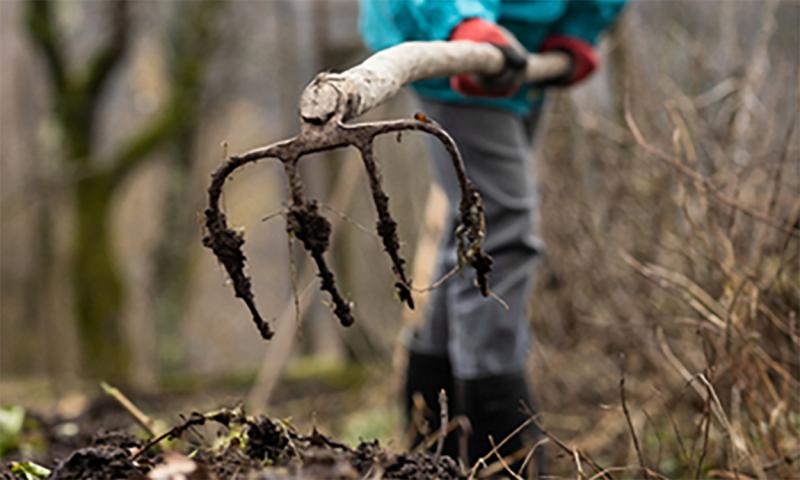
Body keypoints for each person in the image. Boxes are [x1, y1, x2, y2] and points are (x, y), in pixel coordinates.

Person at [359, 0, 627, 473]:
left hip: (523, 52)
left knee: (471, 230)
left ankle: (434, 442)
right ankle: (497, 442)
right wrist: (460, 21)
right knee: (499, 231)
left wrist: (579, 26)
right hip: (450, 42)